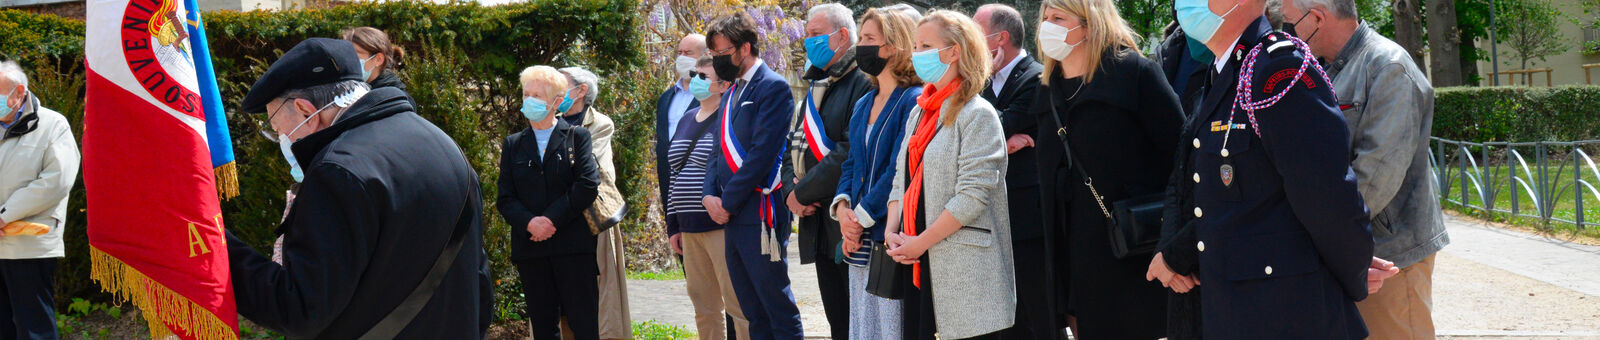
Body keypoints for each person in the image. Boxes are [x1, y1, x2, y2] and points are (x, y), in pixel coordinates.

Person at [227, 38, 490, 338]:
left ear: (304, 110)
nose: (281, 139)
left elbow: (300, 308)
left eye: (276, 129)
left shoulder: (336, 171)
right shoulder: (444, 144)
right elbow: (479, 281)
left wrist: (219, 245)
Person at [1160, 0, 1378, 337]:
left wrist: (1352, 276)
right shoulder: (1229, 69)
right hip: (1238, 311)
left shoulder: (1278, 68)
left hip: (1286, 312)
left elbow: (1328, 201)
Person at [1281, 0, 1448, 337]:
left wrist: (1319, 236)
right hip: (1350, 245)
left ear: (1316, 17)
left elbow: (1376, 176)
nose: (1286, 33)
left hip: (1389, 254)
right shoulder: (1328, 67)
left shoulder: (1388, 67)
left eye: (1289, 23)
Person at [1029, 0, 1185, 338]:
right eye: (1044, 17)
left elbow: (1181, 154)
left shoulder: (1133, 74)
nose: (1046, 26)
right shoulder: (1048, 88)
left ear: (1089, 24)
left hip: (1129, 249)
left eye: (1058, 17)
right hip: (1068, 251)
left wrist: (1175, 240)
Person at [881, 10, 1014, 340]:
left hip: (960, 268)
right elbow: (902, 177)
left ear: (954, 51)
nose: (917, 53)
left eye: (925, 44)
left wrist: (918, 243)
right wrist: (892, 231)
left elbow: (972, 197)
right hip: (915, 259)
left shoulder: (978, 114)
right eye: (915, 45)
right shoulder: (920, 110)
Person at [701, 12, 804, 340]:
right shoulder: (731, 92)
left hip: (759, 214)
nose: (717, 61)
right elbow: (715, 153)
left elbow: (762, 155)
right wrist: (708, 196)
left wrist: (726, 202)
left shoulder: (772, 87)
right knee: (751, 309)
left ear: (744, 48)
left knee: (776, 306)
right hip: (731, 215)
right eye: (713, 55)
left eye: (721, 53)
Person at [829, 5, 922, 340]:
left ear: (894, 46)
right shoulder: (863, 103)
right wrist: (842, 210)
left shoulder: (913, 99)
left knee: (890, 327)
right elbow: (852, 162)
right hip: (857, 237)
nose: (861, 45)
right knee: (863, 327)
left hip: (887, 234)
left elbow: (901, 167)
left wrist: (861, 217)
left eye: (869, 38)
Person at [499, 65, 602, 340]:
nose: (530, 100)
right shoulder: (513, 144)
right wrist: (531, 223)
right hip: (531, 249)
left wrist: (550, 220)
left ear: (557, 101)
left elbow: (587, 184)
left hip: (573, 246)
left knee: (584, 324)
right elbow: (505, 198)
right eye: (526, 94)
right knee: (543, 328)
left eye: (538, 95)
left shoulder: (576, 136)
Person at [971, 4, 1056, 338]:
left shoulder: (1036, 77)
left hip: (1026, 219)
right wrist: (1002, 144)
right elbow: (969, 132)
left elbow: (987, 129)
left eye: (975, 34)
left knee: (1035, 312)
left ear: (1000, 38)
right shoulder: (983, 81)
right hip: (991, 215)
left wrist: (994, 139)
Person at [790, 5, 873, 339]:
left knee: (858, 324)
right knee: (837, 322)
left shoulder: (863, 82)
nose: (808, 42)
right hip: (817, 224)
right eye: (806, 34)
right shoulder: (815, 83)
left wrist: (801, 192)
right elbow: (791, 145)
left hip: (847, 221)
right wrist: (788, 193)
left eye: (815, 34)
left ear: (841, 36)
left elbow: (847, 150)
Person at [666, 57, 752, 340]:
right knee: (704, 308)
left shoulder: (730, 118)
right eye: (694, 74)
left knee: (737, 304)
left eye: (703, 75)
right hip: (688, 228)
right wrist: (673, 225)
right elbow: (674, 174)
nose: (695, 80)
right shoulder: (686, 119)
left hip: (719, 225)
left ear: (724, 84)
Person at [0, 60, 80, 340]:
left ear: (18, 91)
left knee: (34, 327)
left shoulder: (53, 125)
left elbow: (56, 181)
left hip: (30, 245)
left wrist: (3, 215)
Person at [555, 66, 633, 340]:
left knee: (596, 298)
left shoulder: (600, 124)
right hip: (554, 221)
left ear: (581, 90)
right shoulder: (545, 121)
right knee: (558, 301)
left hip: (591, 221)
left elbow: (591, 174)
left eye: (560, 84)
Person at [658, 34, 709, 231]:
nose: (682, 57)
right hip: (671, 185)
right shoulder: (666, 98)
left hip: (701, 187)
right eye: (679, 52)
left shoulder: (713, 95)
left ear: (706, 56)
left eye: (688, 53)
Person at [341, 27, 406, 92]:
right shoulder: (353, 90)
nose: (348, 61)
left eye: (354, 55)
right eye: (346, 55)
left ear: (378, 59)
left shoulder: (394, 98)